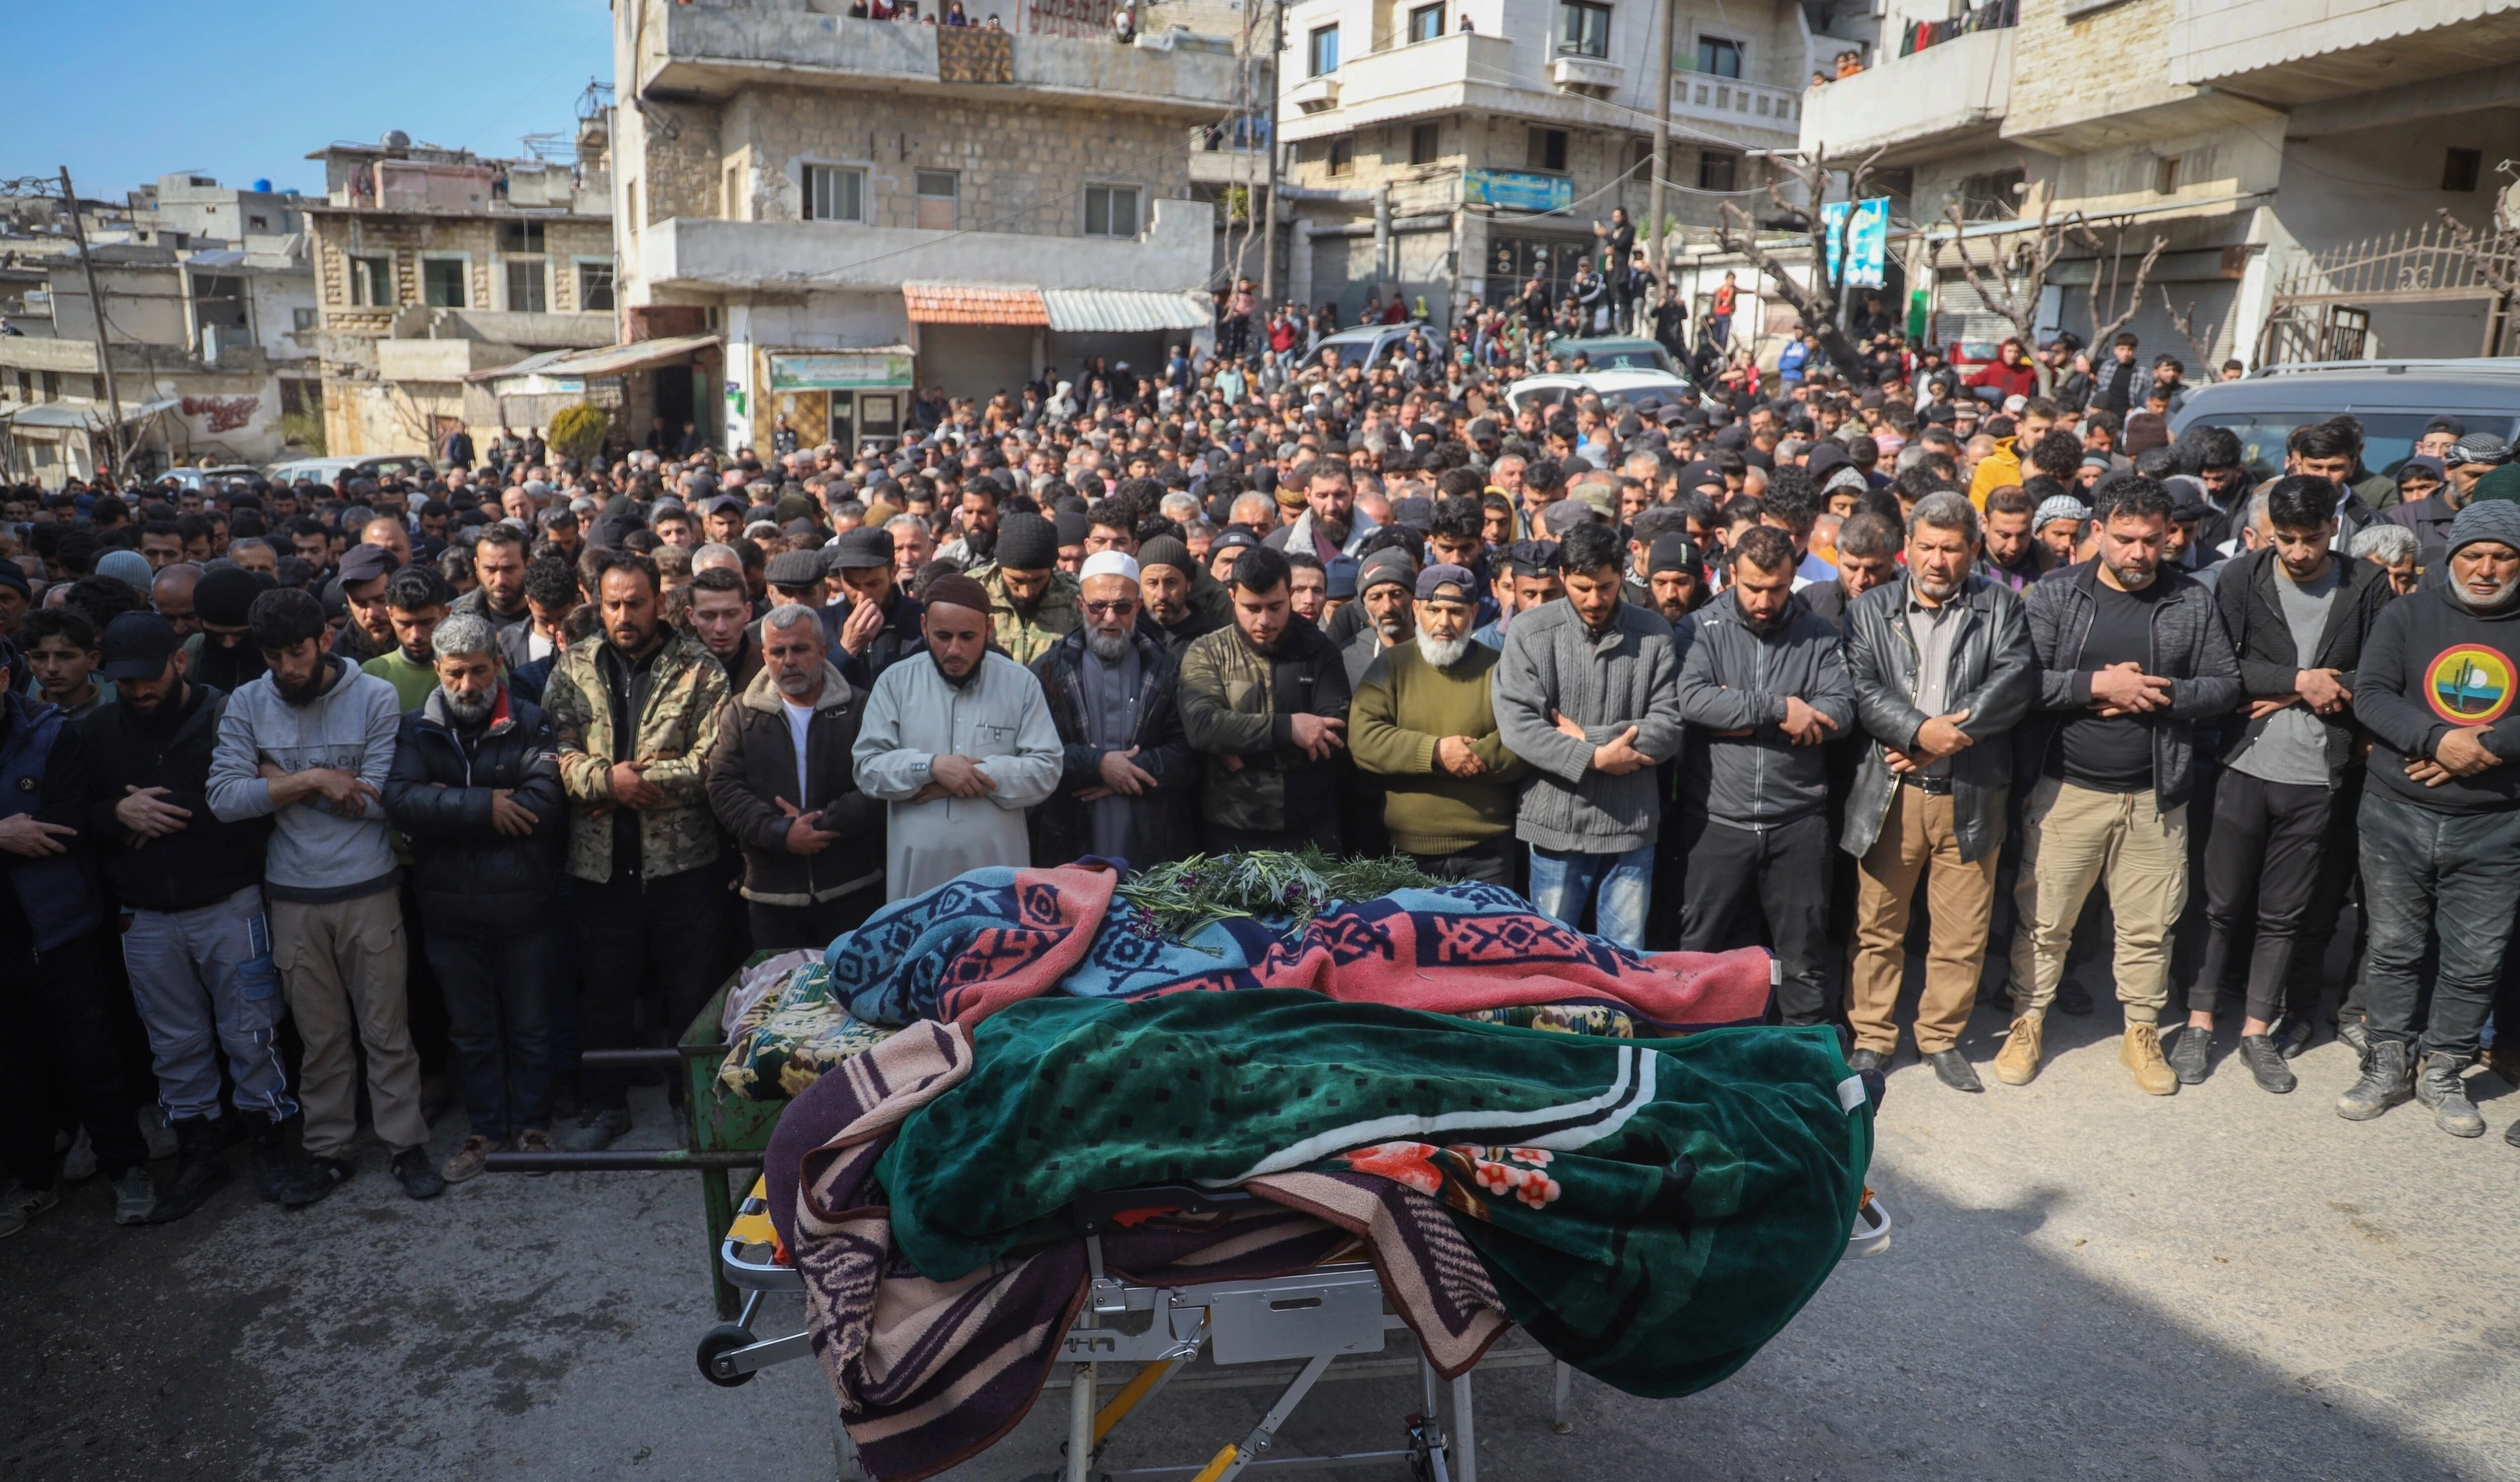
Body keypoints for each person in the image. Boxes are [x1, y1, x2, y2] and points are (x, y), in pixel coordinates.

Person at [80, 612, 332, 1219]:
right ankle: (200, 1149)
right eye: (126, 683)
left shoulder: (230, 715)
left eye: (148, 678)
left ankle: (271, 1143)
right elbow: (74, 816)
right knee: (174, 1042)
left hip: (228, 900)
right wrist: (116, 815)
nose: (139, 692)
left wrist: (169, 812)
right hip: (146, 914)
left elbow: (260, 797)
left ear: (180, 662)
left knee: (252, 1030)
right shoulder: (95, 732)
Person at [2003, 477, 2240, 1094]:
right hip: (2066, 790)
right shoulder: (2055, 596)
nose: (2138, 553)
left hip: (2154, 795)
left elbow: (2223, 685)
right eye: (2125, 539)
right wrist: (2096, 687)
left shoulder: (2190, 601)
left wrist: (2160, 694)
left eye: (2151, 541)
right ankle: (2026, 1019)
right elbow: (2020, 684)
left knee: (2147, 924)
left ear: (2169, 537)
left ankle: (2140, 1030)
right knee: (2044, 918)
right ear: (2097, 533)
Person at [207, 588, 444, 1199]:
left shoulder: (374, 695)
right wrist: (314, 777)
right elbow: (223, 801)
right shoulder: (247, 703)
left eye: (298, 652)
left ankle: (405, 1143)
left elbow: (378, 802)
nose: (288, 668)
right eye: (275, 656)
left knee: (386, 1029)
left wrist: (275, 779)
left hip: (369, 887)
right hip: (291, 895)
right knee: (319, 1036)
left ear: (324, 640)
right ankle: (328, 1149)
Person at [2179, 477, 2392, 1093]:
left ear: (2335, 528)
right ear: (2266, 530)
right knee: (2220, 904)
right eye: (2285, 540)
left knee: (2283, 913)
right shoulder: (2241, 577)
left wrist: (2315, 689)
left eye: (2310, 539)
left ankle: (2254, 1029)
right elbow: (2220, 664)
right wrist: (2297, 682)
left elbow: (2377, 674)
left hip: (2317, 775)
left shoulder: (2366, 584)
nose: (2297, 553)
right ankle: (2198, 1019)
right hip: (2243, 766)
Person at [1839, 494, 2037, 1088]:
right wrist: (1915, 731)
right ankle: (1872, 1037)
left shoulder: (1999, 606)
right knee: (1878, 926)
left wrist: (1944, 735)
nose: (1936, 560)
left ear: (1972, 551)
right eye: (1925, 546)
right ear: (1907, 547)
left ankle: (1941, 1037)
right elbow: (1861, 685)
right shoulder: (1871, 609)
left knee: (1961, 931)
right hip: (1892, 792)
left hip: (1971, 792)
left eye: (1950, 549)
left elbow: (2015, 680)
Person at [2339, 499, 2520, 1142]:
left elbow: (2494, 738)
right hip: (2396, 812)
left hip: (2497, 825)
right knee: (2392, 948)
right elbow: (2371, 694)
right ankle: (2386, 1059)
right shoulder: (2407, 613)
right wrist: (2434, 739)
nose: (2486, 568)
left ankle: (2442, 1069)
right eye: (2473, 555)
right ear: (2452, 558)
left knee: (2474, 959)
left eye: (2502, 556)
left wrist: (2487, 748)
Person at [542, 550, 732, 1153]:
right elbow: (554, 751)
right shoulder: (573, 666)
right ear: (597, 603)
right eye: (613, 603)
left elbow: (712, 761)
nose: (624, 614)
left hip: (682, 864)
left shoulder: (700, 668)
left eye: (636, 602)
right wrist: (606, 781)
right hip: (600, 863)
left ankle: (691, 1102)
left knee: (691, 992)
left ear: (660, 603)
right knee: (604, 991)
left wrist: (632, 786)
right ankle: (606, 1104)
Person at [381, 613, 568, 1183]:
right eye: (456, 673)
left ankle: (534, 1127)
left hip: (524, 906)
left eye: (479, 671)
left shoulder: (534, 723)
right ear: (437, 670)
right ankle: (485, 1130)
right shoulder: (415, 728)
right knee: (471, 1030)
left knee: (532, 1024)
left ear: (499, 666)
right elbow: (400, 799)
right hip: (449, 912)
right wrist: (486, 805)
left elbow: (541, 804)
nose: (468, 685)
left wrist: (449, 803)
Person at [0, 635, 160, 1234]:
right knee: (12, 1069)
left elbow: (59, 828)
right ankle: (31, 1181)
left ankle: (128, 1169)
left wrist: (22, 837)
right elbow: (19, 835)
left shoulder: (49, 732)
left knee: (90, 1056)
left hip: (57, 926)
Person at [1672, 525, 1855, 1023]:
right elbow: (1691, 702)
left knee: (1803, 963)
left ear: (1792, 577)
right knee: (1701, 960)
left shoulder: (1818, 634)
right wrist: (1779, 710)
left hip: (1796, 822)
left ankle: (1806, 1070)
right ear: (1731, 573)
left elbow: (1838, 710)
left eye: (1775, 588)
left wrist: (1735, 720)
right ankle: (1698, 1061)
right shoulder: (1698, 629)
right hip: (1715, 821)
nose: (1762, 599)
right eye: (1752, 586)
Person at [1492, 523, 1685, 951]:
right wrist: (1596, 758)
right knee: (1552, 957)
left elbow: (1668, 726)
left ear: (1623, 574)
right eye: (1582, 588)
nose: (1595, 600)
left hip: (1630, 828)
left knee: (1625, 955)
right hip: (1556, 828)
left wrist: (1588, 738)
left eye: (1606, 586)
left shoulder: (1654, 633)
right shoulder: (1531, 632)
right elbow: (1519, 726)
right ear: (1563, 576)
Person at [852, 572, 1062, 898]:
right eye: (943, 635)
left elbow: (1047, 769)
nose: (954, 649)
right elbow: (867, 769)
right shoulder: (895, 683)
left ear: (989, 630)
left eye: (967, 636)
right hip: (917, 885)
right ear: (924, 627)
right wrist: (932, 767)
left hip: (999, 885)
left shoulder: (1019, 684)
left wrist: (971, 775)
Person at [705, 603, 885, 950]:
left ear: (822, 650)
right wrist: (781, 832)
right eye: (778, 651)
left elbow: (878, 784)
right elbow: (723, 787)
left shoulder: (861, 707)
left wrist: (818, 826)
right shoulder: (740, 713)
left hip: (851, 890)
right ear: (764, 655)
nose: (789, 660)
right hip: (773, 896)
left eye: (800, 649)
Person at [1349, 563, 1529, 881]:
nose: (1444, 623)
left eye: (1456, 612)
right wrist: (1435, 752)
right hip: (1408, 851)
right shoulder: (1392, 666)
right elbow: (1364, 740)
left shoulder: (1499, 668)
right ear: (1417, 610)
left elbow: (1522, 740)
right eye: (1434, 610)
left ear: (1474, 612)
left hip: (1488, 853)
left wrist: (1468, 758)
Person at [1177, 546, 1354, 853]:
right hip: (1232, 830)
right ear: (1233, 597)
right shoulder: (1208, 652)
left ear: (1290, 596)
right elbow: (1202, 727)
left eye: (1276, 606)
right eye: (1252, 608)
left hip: (1310, 829)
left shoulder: (1319, 650)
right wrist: (1290, 730)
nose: (1265, 620)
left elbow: (1333, 737)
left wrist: (1239, 747)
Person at [1027, 552, 1196, 868]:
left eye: (1121, 607)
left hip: (1151, 838)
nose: (1109, 618)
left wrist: (1123, 773)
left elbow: (1186, 753)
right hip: (1070, 836)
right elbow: (1035, 754)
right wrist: (1097, 765)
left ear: (1138, 607)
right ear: (1080, 606)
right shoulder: (1048, 672)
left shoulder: (1167, 669)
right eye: (1097, 607)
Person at [972, 512, 1080, 667]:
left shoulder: (1075, 596)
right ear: (1001, 569)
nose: (1027, 592)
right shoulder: (973, 591)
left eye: (1038, 580)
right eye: (1016, 581)